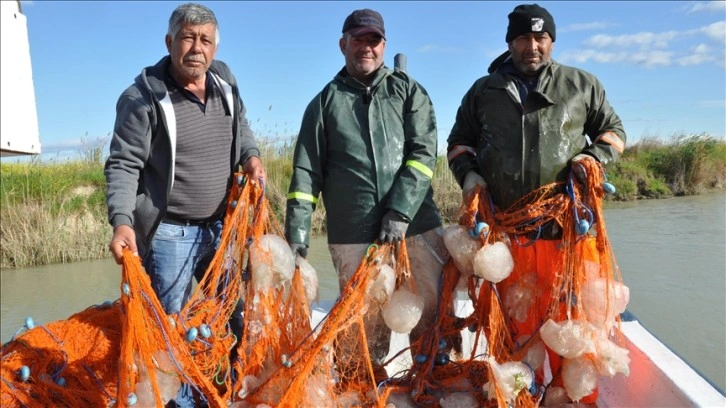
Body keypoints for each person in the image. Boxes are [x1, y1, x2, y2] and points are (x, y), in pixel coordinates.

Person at [446, 3, 626, 404]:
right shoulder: (483, 92)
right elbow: (458, 144)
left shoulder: (581, 85)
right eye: (524, 38)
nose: (532, 46)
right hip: (509, 243)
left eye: (540, 38)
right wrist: (470, 176)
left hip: (568, 242)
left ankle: (572, 401)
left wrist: (593, 159)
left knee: (573, 335)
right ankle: (519, 400)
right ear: (510, 42)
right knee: (514, 336)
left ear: (552, 41)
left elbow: (613, 132)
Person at [105, 3, 265, 406]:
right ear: (169, 41)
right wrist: (122, 221)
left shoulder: (225, 79)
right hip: (170, 234)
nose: (197, 48)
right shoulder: (142, 98)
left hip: (221, 228)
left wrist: (251, 156)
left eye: (205, 40)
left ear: (215, 47)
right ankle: (180, 402)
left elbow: (241, 126)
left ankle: (224, 391)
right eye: (188, 38)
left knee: (231, 317)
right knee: (170, 329)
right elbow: (123, 163)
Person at [284, 8, 451, 381]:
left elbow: (423, 155)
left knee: (431, 309)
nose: (366, 47)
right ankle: (361, 384)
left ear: (384, 45)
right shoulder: (324, 104)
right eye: (357, 40)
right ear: (343, 44)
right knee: (362, 324)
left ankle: (433, 378)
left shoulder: (408, 92)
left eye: (373, 40)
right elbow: (304, 174)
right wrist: (296, 237)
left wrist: (401, 211)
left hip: (418, 225)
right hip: (353, 233)